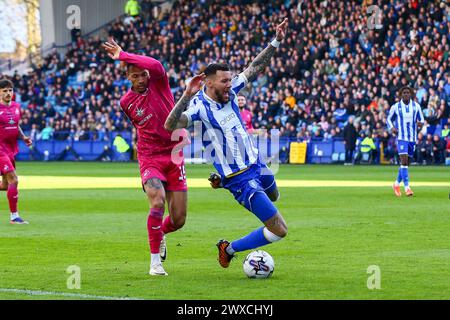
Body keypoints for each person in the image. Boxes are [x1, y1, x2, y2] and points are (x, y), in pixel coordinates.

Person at [165, 19, 289, 269]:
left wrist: (275, 41)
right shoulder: (199, 107)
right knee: (279, 229)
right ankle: (228, 248)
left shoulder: (230, 93)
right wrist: (186, 96)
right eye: (224, 81)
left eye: (230, 80)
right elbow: (171, 125)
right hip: (241, 179)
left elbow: (254, 68)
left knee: (274, 195)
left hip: (257, 164)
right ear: (208, 83)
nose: (230, 85)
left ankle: (222, 181)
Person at [102, 39, 188, 276]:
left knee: (179, 219)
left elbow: (156, 63)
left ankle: (160, 231)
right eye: (136, 76)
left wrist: (122, 54)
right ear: (128, 77)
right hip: (150, 156)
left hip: (174, 154)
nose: (141, 79)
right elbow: (143, 127)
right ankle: (154, 263)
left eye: (143, 75)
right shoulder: (125, 102)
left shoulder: (159, 82)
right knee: (157, 200)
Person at [0, 79, 33, 224]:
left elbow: (16, 125)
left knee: (6, 185)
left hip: (10, 149)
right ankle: (14, 217)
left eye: (10, 90)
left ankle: (14, 216)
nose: (8, 93)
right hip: (0, 150)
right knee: (14, 179)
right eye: (5, 91)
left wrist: (23, 137)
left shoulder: (16, 106)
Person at [387, 86, 425, 197]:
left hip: (412, 138)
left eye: (408, 93)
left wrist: (420, 124)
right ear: (401, 95)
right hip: (402, 137)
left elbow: (422, 119)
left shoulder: (416, 106)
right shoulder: (396, 107)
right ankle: (407, 188)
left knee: (406, 163)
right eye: (404, 93)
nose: (406, 94)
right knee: (403, 161)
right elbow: (389, 119)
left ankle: (396, 184)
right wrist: (392, 128)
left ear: (411, 94)